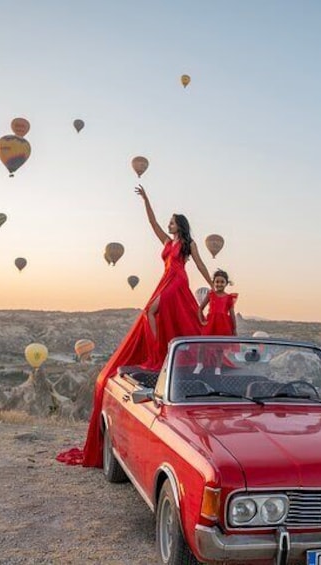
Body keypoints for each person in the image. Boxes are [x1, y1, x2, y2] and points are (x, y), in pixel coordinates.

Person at [57, 185, 214, 467]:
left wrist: (211, 285)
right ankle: (157, 354)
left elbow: (200, 264)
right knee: (151, 315)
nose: (169, 223)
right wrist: (147, 200)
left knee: (151, 311)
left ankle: (156, 356)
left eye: (173, 221)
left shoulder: (188, 245)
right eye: (170, 222)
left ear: (181, 224)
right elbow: (152, 223)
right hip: (165, 280)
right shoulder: (167, 240)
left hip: (177, 282)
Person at [195, 269, 238, 375]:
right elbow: (200, 308)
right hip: (210, 323)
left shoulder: (229, 298)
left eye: (222, 282)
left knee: (220, 348)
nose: (219, 284)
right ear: (214, 283)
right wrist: (202, 321)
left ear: (226, 283)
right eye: (217, 282)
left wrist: (234, 328)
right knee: (202, 345)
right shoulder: (211, 294)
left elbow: (232, 313)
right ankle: (199, 364)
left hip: (223, 325)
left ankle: (218, 368)